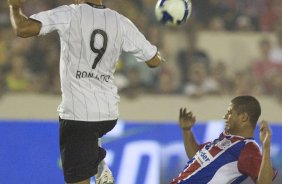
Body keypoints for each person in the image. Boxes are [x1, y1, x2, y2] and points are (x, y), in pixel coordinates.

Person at [8, 0, 165, 184]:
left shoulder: (69, 14)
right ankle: (97, 162)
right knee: (89, 134)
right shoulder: (120, 21)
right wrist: (160, 57)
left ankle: (97, 162)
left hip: (78, 116)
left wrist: (14, 7)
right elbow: (154, 60)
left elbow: (23, 29)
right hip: (108, 114)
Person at [171, 95, 277, 184]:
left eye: (230, 112)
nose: (225, 116)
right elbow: (195, 155)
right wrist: (186, 130)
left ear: (243, 117)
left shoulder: (247, 147)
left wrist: (266, 147)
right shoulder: (225, 138)